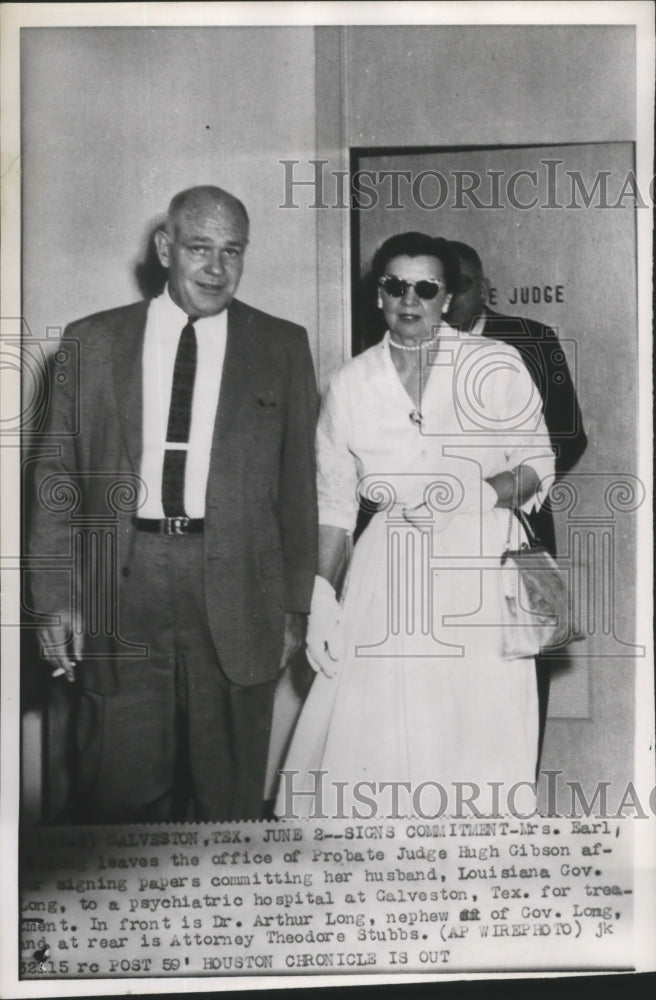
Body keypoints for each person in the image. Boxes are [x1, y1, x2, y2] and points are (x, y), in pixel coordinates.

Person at [29, 185, 318, 823]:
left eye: (232, 252)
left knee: (229, 795)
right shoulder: (92, 341)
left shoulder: (281, 346)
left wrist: (296, 607)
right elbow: (56, 481)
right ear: (165, 250)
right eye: (199, 249)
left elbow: (299, 487)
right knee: (118, 785)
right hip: (122, 587)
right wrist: (52, 599)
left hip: (239, 588)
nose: (216, 269)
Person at [275, 232, 554, 821]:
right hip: (388, 574)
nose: (410, 299)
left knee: (477, 730)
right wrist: (321, 595)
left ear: (448, 297)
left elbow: (537, 464)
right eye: (395, 285)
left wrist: (476, 494)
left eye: (426, 287)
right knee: (382, 734)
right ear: (378, 294)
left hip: (478, 569)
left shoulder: (493, 364)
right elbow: (334, 505)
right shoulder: (349, 381)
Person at [446, 241, 588, 765]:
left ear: (483, 288)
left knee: (524, 660)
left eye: (461, 284)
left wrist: (510, 490)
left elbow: (569, 438)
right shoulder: (411, 345)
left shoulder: (531, 340)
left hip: (517, 528)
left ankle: (516, 791)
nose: (449, 297)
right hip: (441, 540)